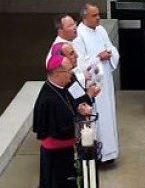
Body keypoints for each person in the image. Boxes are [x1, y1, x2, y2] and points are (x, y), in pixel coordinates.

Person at [33, 53, 101, 188]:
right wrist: (79, 124)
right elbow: (58, 127)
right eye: (69, 71)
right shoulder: (48, 99)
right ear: (58, 74)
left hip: (66, 151)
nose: (72, 74)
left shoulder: (62, 88)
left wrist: (79, 109)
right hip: (56, 155)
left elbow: (70, 107)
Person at [73, 3, 120, 163]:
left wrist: (109, 53)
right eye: (94, 15)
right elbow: (80, 62)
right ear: (84, 17)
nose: (98, 18)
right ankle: (97, 154)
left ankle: (109, 152)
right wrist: (99, 57)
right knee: (96, 117)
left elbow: (112, 49)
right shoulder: (79, 35)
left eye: (98, 14)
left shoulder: (100, 30)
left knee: (108, 115)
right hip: (92, 84)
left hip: (105, 80)